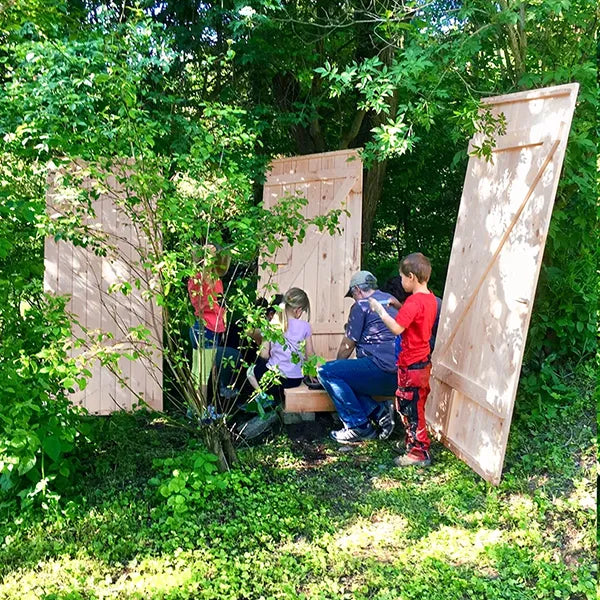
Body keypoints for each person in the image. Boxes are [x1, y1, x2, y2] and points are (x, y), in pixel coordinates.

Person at [369, 252, 438, 467]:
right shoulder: (430, 299)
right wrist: (398, 307)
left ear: (411, 276)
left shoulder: (414, 302)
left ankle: (418, 453)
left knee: (411, 407)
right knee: (413, 404)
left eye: (402, 277)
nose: (401, 281)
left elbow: (397, 328)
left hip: (411, 365)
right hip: (422, 362)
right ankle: (412, 443)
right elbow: (415, 321)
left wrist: (380, 311)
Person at [319, 271, 399, 444]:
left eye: (352, 295)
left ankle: (358, 426)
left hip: (381, 371)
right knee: (348, 376)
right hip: (400, 376)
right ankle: (379, 412)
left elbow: (347, 346)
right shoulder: (391, 300)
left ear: (357, 290)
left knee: (326, 372)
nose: (353, 299)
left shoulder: (361, 305)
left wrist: (336, 367)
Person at [188, 245, 239, 404]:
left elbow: (219, 305)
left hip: (211, 329)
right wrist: (207, 255)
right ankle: (201, 413)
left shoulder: (216, 279)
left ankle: (196, 410)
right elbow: (200, 292)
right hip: (204, 328)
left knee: (200, 372)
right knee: (201, 374)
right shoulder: (198, 278)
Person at [247, 288, 314, 405]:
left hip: (274, 380)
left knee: (250, 371)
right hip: (295, 380)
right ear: (298, 310)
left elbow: (264, 354)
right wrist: (312, 373)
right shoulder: (305, 326)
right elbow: (310, 354)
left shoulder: (273, 324)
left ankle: (262, 396)